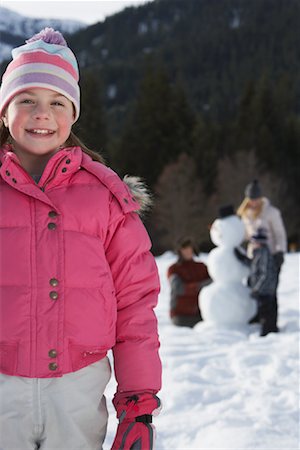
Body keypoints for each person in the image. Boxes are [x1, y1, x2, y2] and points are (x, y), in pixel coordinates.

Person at [0, 28, 161, 450]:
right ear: (3, 111)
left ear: (73, 114)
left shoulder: (107, 199)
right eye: (26, 100)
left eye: (57, 102)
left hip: (76, 390)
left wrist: (138, 402)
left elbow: (135, 305)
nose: (42, 114)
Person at [237, 179, 287, 325]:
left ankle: (271, 320)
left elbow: (280, 234)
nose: (254, 202)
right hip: (254, 255)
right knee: (254, 287)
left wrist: (280, 253)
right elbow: (245, 235)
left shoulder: (271, 212)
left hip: (271, 255)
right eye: (251, 199)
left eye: (256, 199)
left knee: (269, 290)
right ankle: (258, 315)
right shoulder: (245, 214)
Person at [235, 228, 279, 336]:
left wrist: (257, 289)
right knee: (262, 310)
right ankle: (266, 329)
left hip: (266, 290)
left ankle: (268, 332)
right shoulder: (258, 253)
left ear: (259, 242)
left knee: (266, 312)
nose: (252, 243)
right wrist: (242, 258)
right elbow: (253, 266)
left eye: (254, 241)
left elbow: (265, 274)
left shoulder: (264, 253)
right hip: (262, 289)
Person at [167, 237, 211, 328]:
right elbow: (178, 288)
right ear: (179, 251)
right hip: (180, 316)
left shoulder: (202, 267)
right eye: (185, 249)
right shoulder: (173, 269)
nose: (188, 251)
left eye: (190, 248)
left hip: (200, 314)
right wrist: (200, 286)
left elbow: (213, 282)